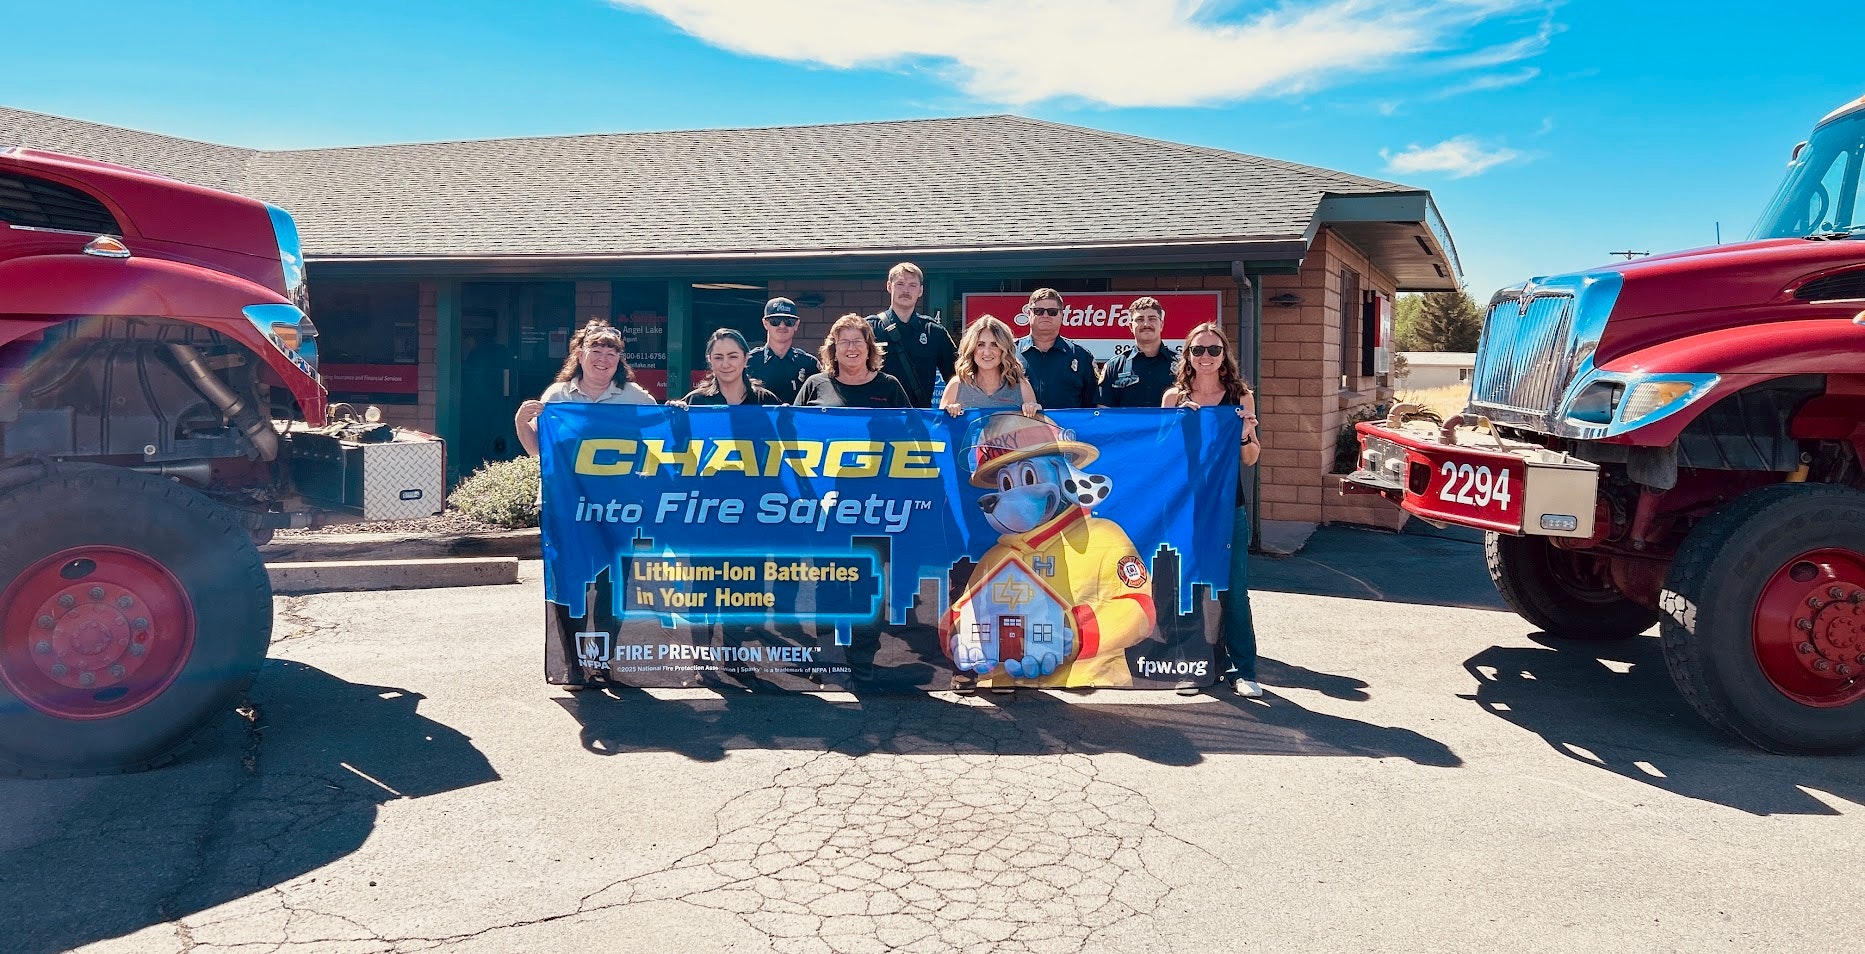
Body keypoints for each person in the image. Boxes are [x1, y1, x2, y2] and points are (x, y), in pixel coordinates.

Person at [1160, 321, 1264, 698]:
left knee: (1234, 589)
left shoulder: (1240, 397)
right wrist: (1178, 423)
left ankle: (1243, 669)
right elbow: (1162, 456)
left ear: (1224, 357)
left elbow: (1251, 458)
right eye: (1198, 350)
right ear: (1187, 355)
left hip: (1228, 507)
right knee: (1188, 588)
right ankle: (1192, 665)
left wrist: (1242, 434)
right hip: (1187, 509)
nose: (1206, 357)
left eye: (1213, 350)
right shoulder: (1174, 398)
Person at [515, 320, 656, 457]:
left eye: (611, 354)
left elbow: (661, 434)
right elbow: (537, 451)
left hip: (621, 480)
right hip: (568, 482)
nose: (603, 359)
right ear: (580, 356)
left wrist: (676, 413)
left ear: (618, 360)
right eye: (596, 352)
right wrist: (521, 423)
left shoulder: (636, 397)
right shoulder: (557, 395)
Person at [866, 262, 956, 408]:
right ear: (889, 286)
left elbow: (957, 376)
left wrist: (951, 403)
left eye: (912, 285)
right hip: (877, 419)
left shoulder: (933, 332)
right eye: (900, 284)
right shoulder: (869, 329)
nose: (906, 290)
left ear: (920, 291)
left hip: (918, 420)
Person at [794, 314, 912, 408]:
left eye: (857, 341)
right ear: (834, 351)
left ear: (868, 349)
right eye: (844, 342)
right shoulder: (814, 385)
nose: (851, 348)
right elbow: (792, 429)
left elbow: (913, 430)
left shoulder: (889, 385)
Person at [940, 315, 1041, 418]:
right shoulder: (957, 385)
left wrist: (1033, 409)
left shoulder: (1021, 386)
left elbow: (1034, 429)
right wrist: (949, 411)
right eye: (980, 344)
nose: (987, 352)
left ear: (1004, 349)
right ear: (971, 349)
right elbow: (938, 428)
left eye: (994, 345)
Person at [1015, 288, 1099, 409]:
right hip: (1019, 426)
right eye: (1038, 311)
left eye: (1052, 311)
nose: (1045, 316)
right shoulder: (1011, 353)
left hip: (1069, 428)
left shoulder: (1081, 357)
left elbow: (1092, 407)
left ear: (1062, 315)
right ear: (1029, 314)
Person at [1098, 297, 1178, 408]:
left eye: (1152, 318)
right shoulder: (1114, 367)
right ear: (1131, 326)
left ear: (1162, 324)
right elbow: (1103, 412)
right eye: (1140, 319)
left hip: (1168, 426)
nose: (1146, 324)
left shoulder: (1181, 364)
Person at [745, 297, 821, 405]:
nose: (782, 325)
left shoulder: (809, 364)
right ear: (765, 323)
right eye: (775, 321)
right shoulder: (749, 362)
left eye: (788, 321)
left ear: (796, 324)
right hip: (759, 421)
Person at [678, 328, 783, 406]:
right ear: (710, 360)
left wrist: (787, 417)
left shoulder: (766, 401)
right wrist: (673, 414)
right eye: (718, 357)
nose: (725, 364)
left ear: (745, 358)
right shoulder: (694, 402)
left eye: (733, 357)